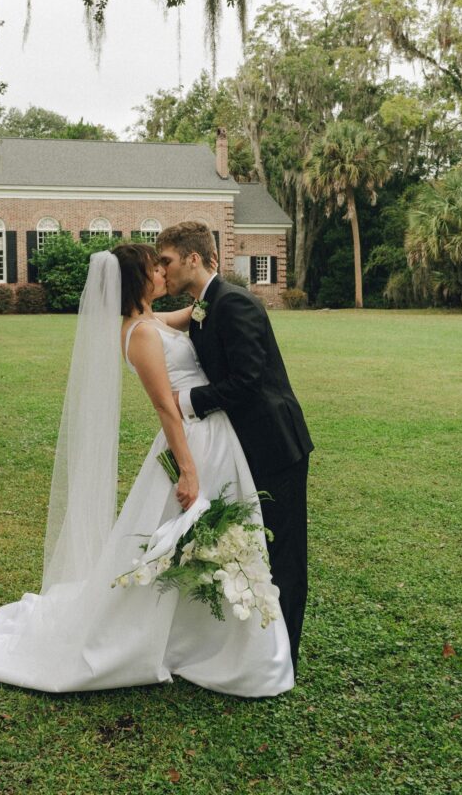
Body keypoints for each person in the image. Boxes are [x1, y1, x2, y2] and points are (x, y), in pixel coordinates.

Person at [0, 245, 294, 697]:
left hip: (214, 435)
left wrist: (213, 287)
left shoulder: (152, 321)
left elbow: (194, 312)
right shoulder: (140, 335)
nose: (161, 272)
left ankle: (205, 634)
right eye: (155, 267)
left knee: (197, 536)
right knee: (182, 534)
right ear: (138, 279)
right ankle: (174, 638)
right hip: (190, 439)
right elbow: (165, 408)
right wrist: (188, 472)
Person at [156, 222, 313, 676]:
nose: (162, 270)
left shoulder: (236, 303)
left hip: (274, 444)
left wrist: (187, 402)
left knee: (283, 553)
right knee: (249, 547)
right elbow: (177, 323)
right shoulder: (205, 304)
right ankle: (256, 647)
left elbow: (246, 383)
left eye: (166, 260)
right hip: (241, 447)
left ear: (192, 258)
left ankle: (285, 658)